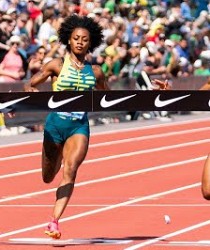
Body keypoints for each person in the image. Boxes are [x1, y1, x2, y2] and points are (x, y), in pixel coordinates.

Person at [25, 15, 169, 239]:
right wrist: (29, 92)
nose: (80, 42)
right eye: (76, 38)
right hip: (55, 125)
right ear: (69, 40)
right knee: (47, 176)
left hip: (78, 126)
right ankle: (56, 160)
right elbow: (30, 84)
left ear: (90, 43)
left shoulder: (97, 72)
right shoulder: (56, 65)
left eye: (84, 39)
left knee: (70, 170)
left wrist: (152, 93)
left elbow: (114, 98)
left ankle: (54, 221)